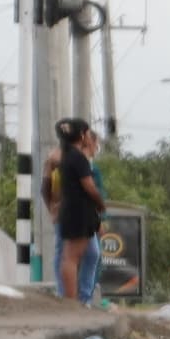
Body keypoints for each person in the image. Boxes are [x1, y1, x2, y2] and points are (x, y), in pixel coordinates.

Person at [48, 117, 107, 304]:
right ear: (82, 135)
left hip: (80, 213)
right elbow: (88, 187)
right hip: (77, 213)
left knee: (90, 253)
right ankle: (71, 301)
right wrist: (101, 203)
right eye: (89, 134)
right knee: (70, 257)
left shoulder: (67, 156)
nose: (90, 138)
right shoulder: (76, 158)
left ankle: (83, 298)